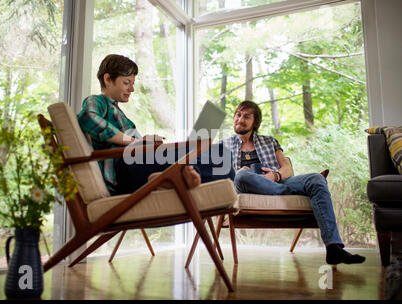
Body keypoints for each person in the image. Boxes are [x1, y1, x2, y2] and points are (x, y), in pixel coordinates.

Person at [225, 100, 365, 265]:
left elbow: (287, 169)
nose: (240, 119)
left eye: (246, 116)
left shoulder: (269, 141)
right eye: (238, 115)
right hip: (247, 185)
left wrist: (275, 176)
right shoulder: (224, 146)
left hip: (278, 181)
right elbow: (224, 180)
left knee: (316, 178)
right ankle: (292, 190)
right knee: (241, 176)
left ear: (255, 122)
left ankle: (334, 247)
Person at [77, 54, 234, 195]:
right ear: (107, 79)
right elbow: (87, 117)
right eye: (126, 83)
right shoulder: (98, 101)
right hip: (125, 167)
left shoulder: (117, 110)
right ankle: (180, 176)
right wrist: (134, 142)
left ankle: (175, 178)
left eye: (132, 83)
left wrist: (145, 141)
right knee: (210, 154)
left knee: (223, 155)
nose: (131, 89)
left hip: (138, 161)